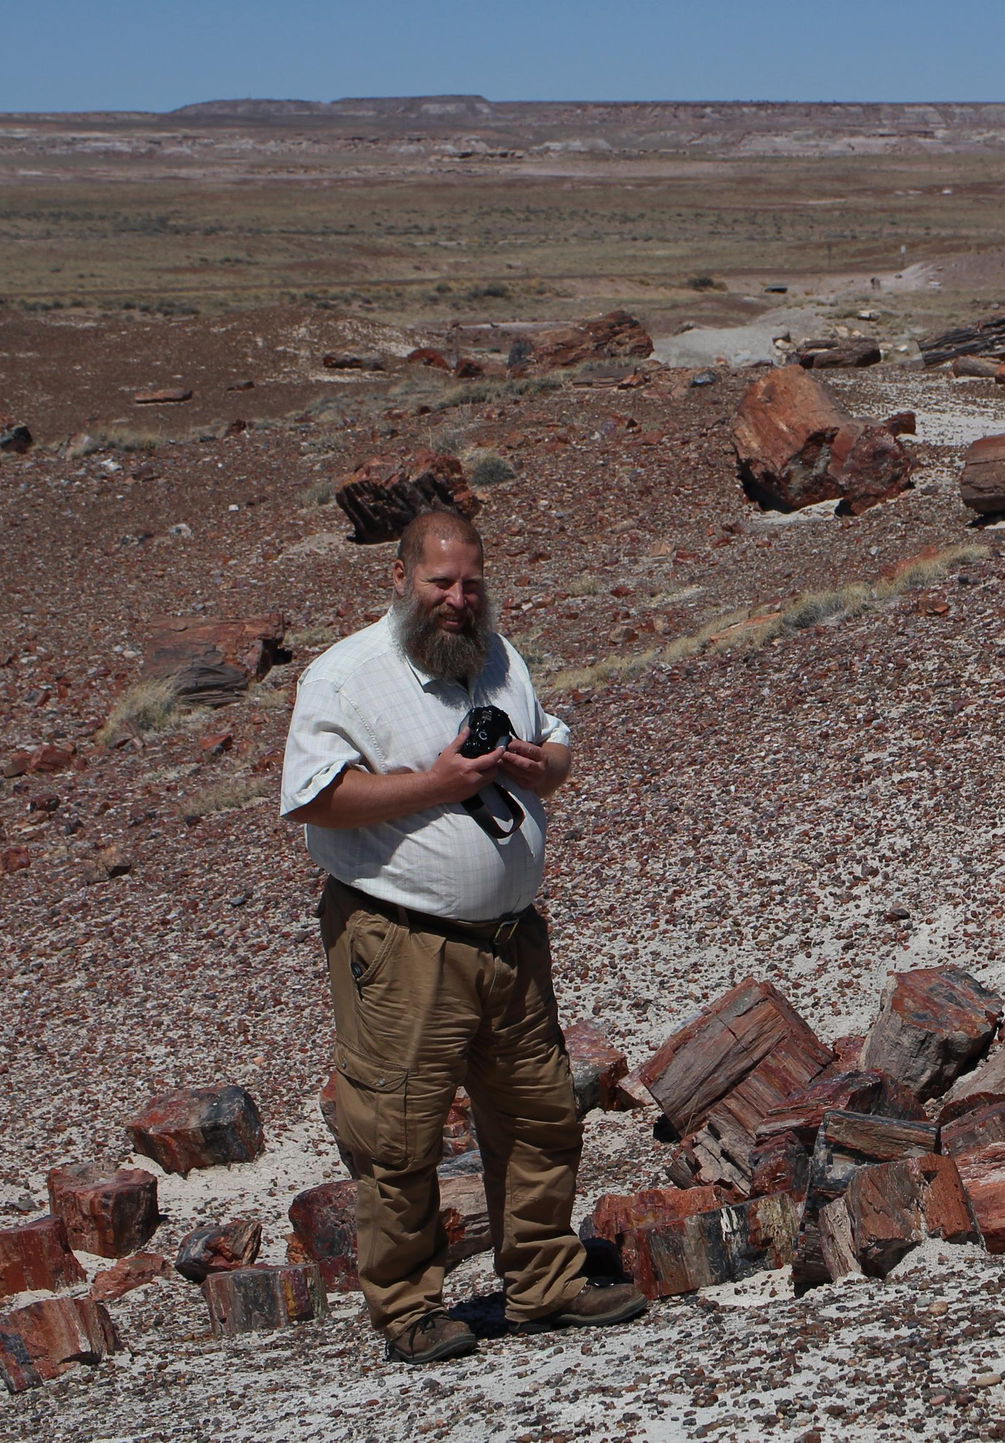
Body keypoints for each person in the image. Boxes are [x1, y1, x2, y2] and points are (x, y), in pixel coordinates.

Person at [281, 503, 645, 1364]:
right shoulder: (346, 676)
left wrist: (533, 765)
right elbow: (312, 796)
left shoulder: (498, 655)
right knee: (399, 1130)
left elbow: (558, 753)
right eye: (440, 582)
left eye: (471, 582)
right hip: (401, 937)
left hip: (510, 937)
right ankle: (408, 1308)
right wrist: (434, 781)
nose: (457, 598)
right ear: (401, 579)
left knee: (538, 1112)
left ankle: (544, 1282)